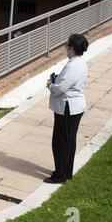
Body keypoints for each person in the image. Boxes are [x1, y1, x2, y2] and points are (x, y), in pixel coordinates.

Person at [45, 33, 89, 184]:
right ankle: (66, 172)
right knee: (69, 140)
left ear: (71, 48)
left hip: (67, 107)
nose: (65, 47)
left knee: (60, 142)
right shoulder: (80, 62)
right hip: (75, 106)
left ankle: (60, 175)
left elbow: (61, 88)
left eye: (66, 45)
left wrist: (51, 85)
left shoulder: (72, 65)